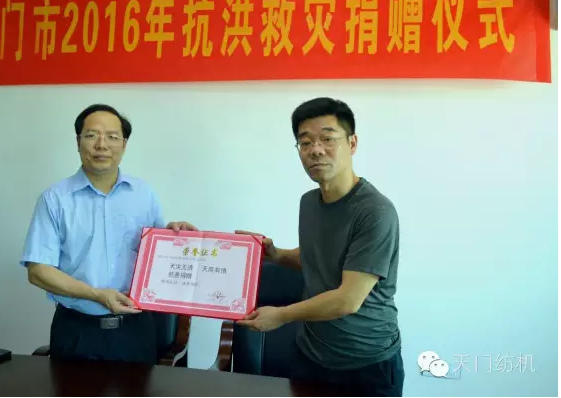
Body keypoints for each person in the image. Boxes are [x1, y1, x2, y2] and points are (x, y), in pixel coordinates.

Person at [236, 97, 404, 396]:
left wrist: (281, 315)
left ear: (352, 143)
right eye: (305, 142)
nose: (315, 149)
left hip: (366, 363)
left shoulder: (375, 211)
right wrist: (276, 254)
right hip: (310, 355)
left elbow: (347, 300)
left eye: (328, 138)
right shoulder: (310, 202)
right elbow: (320, 257)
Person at [21, 104, 197, 363]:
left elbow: (158, 260)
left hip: (136, 330)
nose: (101, 145)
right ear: (78, 142)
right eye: (92, 135)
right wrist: (97, 295)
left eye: (112, 137)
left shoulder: (144, 195)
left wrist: (175, 238)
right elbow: (38, 271)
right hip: (77, 330)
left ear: (124, 144)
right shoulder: (54, 199)